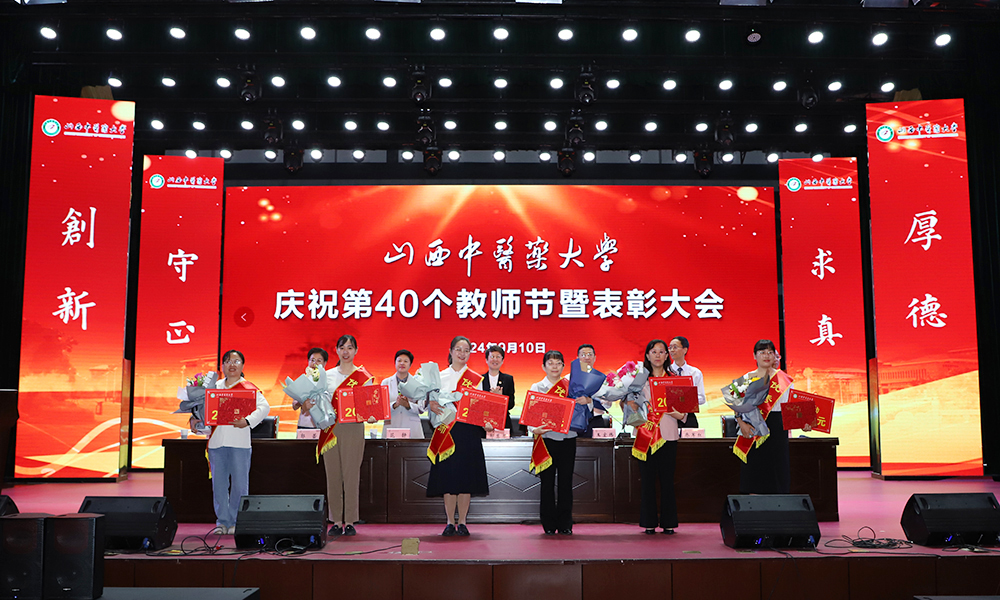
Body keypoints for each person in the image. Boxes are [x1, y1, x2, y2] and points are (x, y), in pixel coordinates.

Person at [304, 334, 378, 537]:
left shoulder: (364, 377)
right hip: (331, 429)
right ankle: (336, 520)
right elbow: (317, 401)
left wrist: (372, 415)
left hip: (353, 428)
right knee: (333, 475)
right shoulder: (326, 375)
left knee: (351, 475)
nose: (346, 352)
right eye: (342, 347)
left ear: (356, 351)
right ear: (336, 350)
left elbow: (369, 405)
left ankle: (350, 520)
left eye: (350, 348)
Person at [426, 336, 491, 536]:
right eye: (458, 349)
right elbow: (430, 404)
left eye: (466, 350)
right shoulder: (439, 376)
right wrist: (431, 404)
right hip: (447, 430)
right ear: (451, 351)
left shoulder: (477, 379)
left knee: (466, 478)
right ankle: (449, 521)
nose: (462, 354)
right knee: (448, 478)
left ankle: (462, 522)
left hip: (469, 431)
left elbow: (481, 407)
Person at [207, 349, 270, 535]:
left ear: (242, 365)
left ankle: (236, 520)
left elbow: (264, 407)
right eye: (227, 361)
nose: (232, 365)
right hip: (216, 443)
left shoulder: (248, 388)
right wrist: (195, 420)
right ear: (222, 366)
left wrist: (248, 421)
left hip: (240, 443)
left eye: (236, 361)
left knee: (240, 485)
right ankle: (222, 521)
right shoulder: (214, 387)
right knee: (219, 485)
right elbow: (204, 411)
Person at [627, 339, 685, 535]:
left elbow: (683, 415)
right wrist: (629, 405)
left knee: (667, 481)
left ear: (667, 355)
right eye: (654, 351)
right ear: (647, 355)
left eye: (662, 352)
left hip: (668, 435)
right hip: (646, 435)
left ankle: (669, 522)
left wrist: (666, 408)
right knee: (647, 481)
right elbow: (629, 407)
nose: (658, 355)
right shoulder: (638, 380)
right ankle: (649, 522)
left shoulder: (675, 379)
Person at [528, 350, 586, 535]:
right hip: (546, 439)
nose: (554, 366)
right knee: (546, 483)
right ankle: (548, 524)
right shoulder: (537, 387)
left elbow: (583, 409)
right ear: (543, 366)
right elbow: (530, 414)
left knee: (565, 482)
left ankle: (565, 523)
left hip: (568, 438)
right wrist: (534, 429)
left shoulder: (571, 387)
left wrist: (587, 400)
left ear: (563, 366)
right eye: (550, 363)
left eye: (558, 363)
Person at [737, 339, 794, 494]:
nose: (766, 355)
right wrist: (741, 423)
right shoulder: (747, 378)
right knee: (755, 469)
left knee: (777, 469)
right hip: (753, 427)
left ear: (775, 356)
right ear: (755, 356)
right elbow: (735, 402)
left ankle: (778, 503)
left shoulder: (784, 379)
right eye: (762, 352)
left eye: (770, 352)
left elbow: (790, 407)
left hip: (777, 427)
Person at [381, 349, 425, 439]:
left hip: (412, 426)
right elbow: (381, 408)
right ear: (395, 363)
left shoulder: (417, 383)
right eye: (399, 360)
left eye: (405, 361)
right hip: (392, 426)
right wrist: (395, 405)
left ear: (410, 364)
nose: (402, 363)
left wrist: (408, 405)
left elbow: (422, 408)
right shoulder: (386, 382)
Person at [667, 336, 706, 428]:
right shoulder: (665, 371)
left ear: (685, 350)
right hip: (669, 417)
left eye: (675, 347)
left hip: (688, 416)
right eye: (670, 347)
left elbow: (701, 398)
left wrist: (686, 399)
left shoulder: (695, 373)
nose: (672, 350)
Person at [481, 345, 517, 435]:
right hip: (483, 424)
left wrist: (500, 398)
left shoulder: (508, 379)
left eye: (498, 357)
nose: (495, 359)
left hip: (503, 423)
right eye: (492, 357)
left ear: (502, 360)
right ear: (486, 360)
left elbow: (511, 404)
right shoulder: (480, 379)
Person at [291, 347, 327, 431]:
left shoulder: (328, 380)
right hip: (305, 424)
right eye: (312, 360)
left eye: (319, 361)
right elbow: (294, 406)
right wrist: (302, 401)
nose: (315, 363)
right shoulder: (302, 380)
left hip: (323, 425)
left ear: (325, 363)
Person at [574, 344, 605, 436]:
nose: (587, 358)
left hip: (596, 420)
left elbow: (608, 404)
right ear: (577, 358)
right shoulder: (569, 378)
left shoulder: (602, 379)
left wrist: (590, 401)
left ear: (594, 358)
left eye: (590, 355)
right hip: (575, 421)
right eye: (583, 355)